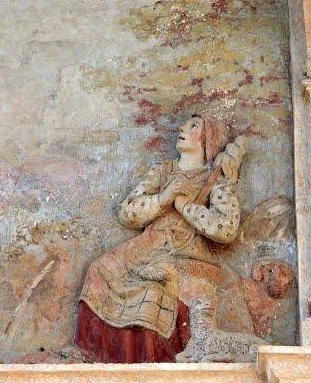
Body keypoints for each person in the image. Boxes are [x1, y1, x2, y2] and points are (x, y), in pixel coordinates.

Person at [75, 114, 247, 363]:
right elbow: (127, 212)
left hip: (184, 254)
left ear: (208, 140)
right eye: (186, 124)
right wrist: (162, 199)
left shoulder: (217, 179)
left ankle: (147, 362)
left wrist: (184, 206)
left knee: (152, 292)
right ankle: (91, 354)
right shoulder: (163, 170)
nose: (182, 128)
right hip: (147, 246)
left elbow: (226, 228)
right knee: (99, 269)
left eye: (194, 126)